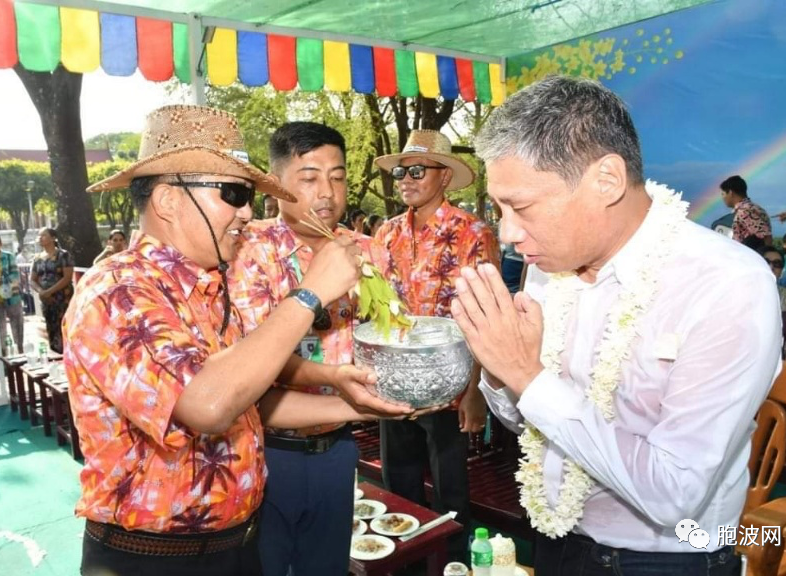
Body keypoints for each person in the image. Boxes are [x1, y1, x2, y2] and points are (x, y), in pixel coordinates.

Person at [452, 75, 781, 576]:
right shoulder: (547, 265)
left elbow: (674, 493)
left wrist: (527, 376)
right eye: (499, 207)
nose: (508, 232)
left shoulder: (727, 284)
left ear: (606, 180)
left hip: (664, 561)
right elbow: (527, 423)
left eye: (520, 206)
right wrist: (500, 371)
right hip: (555, 539)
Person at [65, 105, 392, 576]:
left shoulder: (209, 290)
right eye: (234, 193)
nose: (247, 212)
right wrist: (310, 292)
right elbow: (207, 405)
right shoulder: (117, 290)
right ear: (169, 201)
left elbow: (248, 406)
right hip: (152, 561)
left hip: (235, 547)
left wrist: (361, 406)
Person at [228, 122, 414, 575]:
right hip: (266, 449)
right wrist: (335, 379)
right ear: (277, 186)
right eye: (309, 178)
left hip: (339, 447)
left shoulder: (369, 252)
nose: (326, 191)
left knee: (327, 566)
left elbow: (388, 335)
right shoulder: (249, 251)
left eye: (337, 176)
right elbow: (258, 359)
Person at [370, 129, 500, 561]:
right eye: (401, 171)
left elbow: (486, 315)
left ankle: (453, 566)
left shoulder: (473, 233)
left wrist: (476, 390)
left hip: (451, 388)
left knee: (450, 496)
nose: (405, 179)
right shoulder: (385, 234)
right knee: (398, 488)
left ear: (444, 176)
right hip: (393, 387)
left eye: (417, 170)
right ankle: (404, 564)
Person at [29, 227, 74, 353]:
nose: (40, 238)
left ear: (53, 238)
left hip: (62, 298)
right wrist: (42, 292)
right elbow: (32, 280)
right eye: (39, 236)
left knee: (65, 327)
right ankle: (55, 354)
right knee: (51, 327)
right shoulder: (37, 258)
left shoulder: (63, 255)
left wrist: (50, 291)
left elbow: (67, 277)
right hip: (47, 301)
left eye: (43, 235)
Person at [719, 175, 773, 245]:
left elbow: (766, 237)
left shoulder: (745, 211)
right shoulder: (752, 207)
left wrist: (765, 254)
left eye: (723, 194)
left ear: (730, 192)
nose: (723, 198)